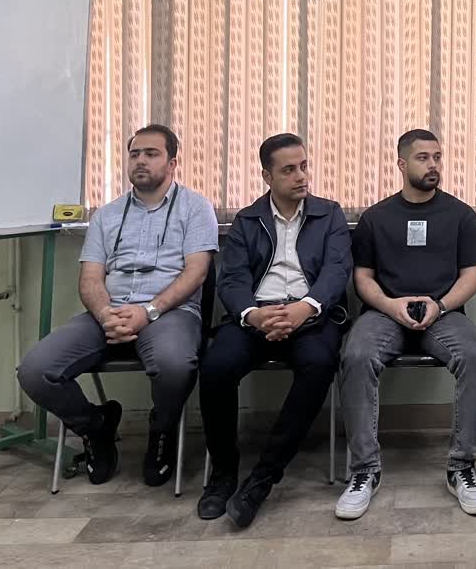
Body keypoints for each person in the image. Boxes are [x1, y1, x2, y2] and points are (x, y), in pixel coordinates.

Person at [17, 124, 218, 487]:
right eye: (134, 154)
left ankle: (162, 430)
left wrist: (148, 311)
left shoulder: (195, 208)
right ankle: (95, 427)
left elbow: (196, 272)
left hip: (169, 314)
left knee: (175, 365)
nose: (140, 160)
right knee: (35, 370)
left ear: (173, 163)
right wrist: (105, 313)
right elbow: (91, 278)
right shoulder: (107, 215)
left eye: (151, 154)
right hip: (108, 313)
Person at [335, 129, 476, 520]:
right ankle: (364, 471)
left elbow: (471, 277)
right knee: (355, 356)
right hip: (384, 313)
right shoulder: (376, 217)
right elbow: (362, 278)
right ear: (402, 163)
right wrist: (391, 305)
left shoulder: (460, 215)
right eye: (423, 158)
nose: (433, 165)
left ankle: (462, 467)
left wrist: (440, 306)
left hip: (444, 313)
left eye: (437, 157)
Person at [196, 133, 352, 527]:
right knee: (215, 368)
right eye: (289, 170)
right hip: (257, 315)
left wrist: (304, 308)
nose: (301, 176)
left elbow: (337, 271)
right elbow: (232, 278)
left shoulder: (329, 214)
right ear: (267, 176)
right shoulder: (247, 220)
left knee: (319, 364)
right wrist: (253, 314)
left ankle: (263, 477)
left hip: (310, 315)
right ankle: (223, 474)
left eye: (304, 166)